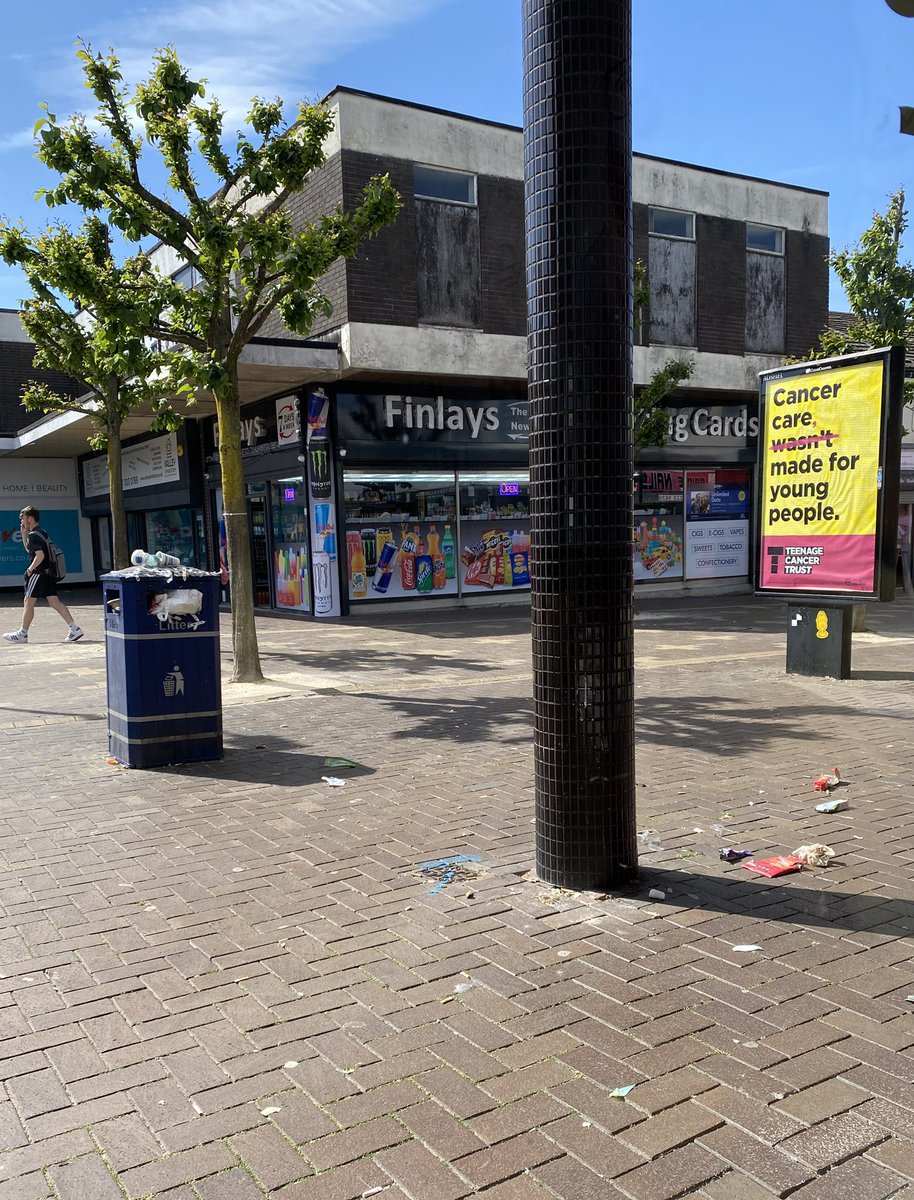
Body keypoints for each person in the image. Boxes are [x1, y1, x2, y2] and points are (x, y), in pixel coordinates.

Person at [3, 506, 83, 644]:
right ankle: (74, 629)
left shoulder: (34, 535)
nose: (21, 522)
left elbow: (39, 555)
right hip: (48, 574)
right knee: (54, 602)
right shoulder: (41, 532)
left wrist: (30, 569)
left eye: (22, 518)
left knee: (28, 601)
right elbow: (30, 550)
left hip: (38, 573)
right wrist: (23, 534)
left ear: (30, 518)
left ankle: (23, 633)